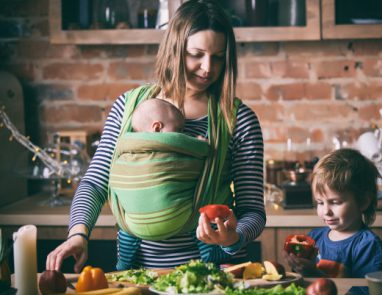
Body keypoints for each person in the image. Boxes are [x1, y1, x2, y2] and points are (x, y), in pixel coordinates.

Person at [47, 0, 265, 273]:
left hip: (214, 274)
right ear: (174, 50)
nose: (208, 67)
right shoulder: (129, 108)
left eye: (218, 57)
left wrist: (233, 238)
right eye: (196, 54)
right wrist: (78, 234)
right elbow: (95, 182)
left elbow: (253, 210)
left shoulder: (238, 120)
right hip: (138, 274)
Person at [283, 148, 382, 278]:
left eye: (335, 202)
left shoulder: (367, 245)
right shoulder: (314, 238)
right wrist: (297, 266)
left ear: (363, 202)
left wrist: (314, 273)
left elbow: (365, 290)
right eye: (320, 203)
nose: (326, 211)